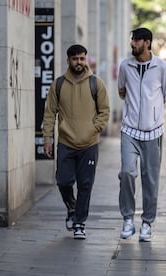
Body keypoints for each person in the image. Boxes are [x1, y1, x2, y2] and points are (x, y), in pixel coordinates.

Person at [42, 44, 110, 239]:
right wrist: (48, 138)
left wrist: (93, 129)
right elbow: (49, 114)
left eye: (81, 58)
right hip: (65, 143)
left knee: (85, 184)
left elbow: (104, 112)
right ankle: (72, 207)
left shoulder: (96, 84)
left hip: (89, 144)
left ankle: (79, 222)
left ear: (85, 59)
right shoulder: (59, 84)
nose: (78, 62)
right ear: (68, 61)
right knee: (63, 181)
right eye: (75, 59)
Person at [118, 27, 166, 242]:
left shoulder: (161, 67)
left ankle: (147, 223)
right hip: (129, 130)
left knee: (150, 180)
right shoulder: (125, 65)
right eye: (131, 39)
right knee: (127, 172)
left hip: (153, 132)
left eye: (136, 40)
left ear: (147, 43)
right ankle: (128, 219)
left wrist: (151, 113)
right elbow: (121, 91)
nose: (132, 43)